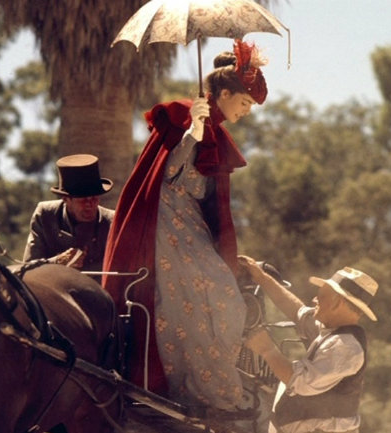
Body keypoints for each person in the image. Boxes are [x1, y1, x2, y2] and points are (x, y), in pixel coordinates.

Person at [101, 39, 269, 410]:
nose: (246, 112)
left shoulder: (216, 133)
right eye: (243, 103)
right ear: (224, 93)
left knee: (225, 299)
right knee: (205, 296)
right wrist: (192, 131)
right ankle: (194, 389)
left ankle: (212, 386)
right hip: (164, 223)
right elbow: (171, 175)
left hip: (189, 224)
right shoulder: (184, 118)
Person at [238, 255, 379, 433]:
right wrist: (262, 278)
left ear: (337, 303)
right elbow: (296, 310)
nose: (314, 300)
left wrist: (267, 349)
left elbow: (301, 382)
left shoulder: (346, 346)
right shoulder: (330, 329)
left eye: (321, 296)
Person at [23, 154, 115, 275]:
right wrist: (58, 261)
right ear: (66, 199)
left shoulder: (112, 221)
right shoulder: (45, 215)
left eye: (94, 198)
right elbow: (28, 268)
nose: (90, 204)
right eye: (83, 199)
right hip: (53, 290)